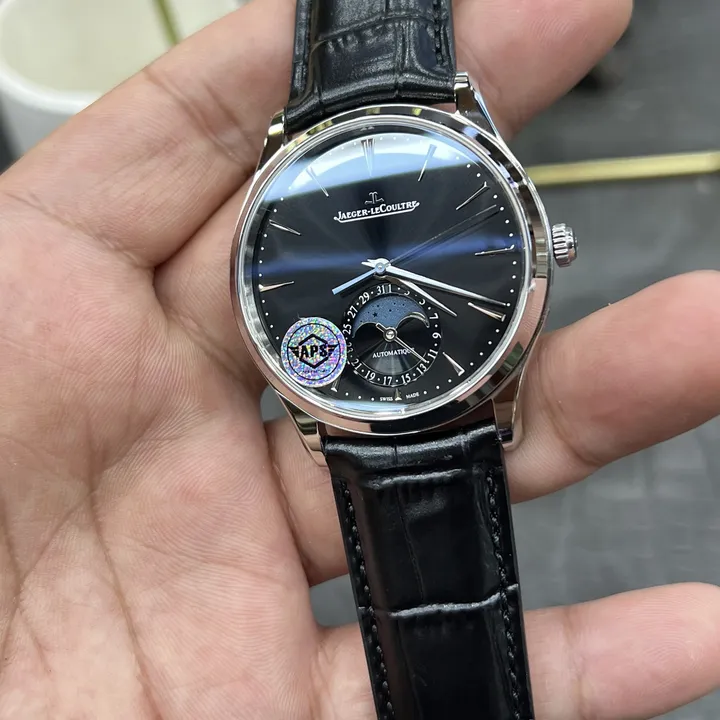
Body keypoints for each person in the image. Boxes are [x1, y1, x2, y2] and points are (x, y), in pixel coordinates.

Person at [0, 0, 718, 717]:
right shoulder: (324, 175)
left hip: (448, 393)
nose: (382, 268)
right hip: (352, 407)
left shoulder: (431, 133)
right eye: (374, 263)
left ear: (545, 246)